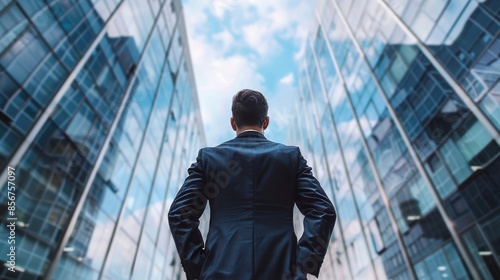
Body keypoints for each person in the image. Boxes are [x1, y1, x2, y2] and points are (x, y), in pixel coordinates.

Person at [168, 89, 336, 280]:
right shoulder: (291, 157)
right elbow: (324, 211)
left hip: (219, 272)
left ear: (233, 123)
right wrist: (302, 265)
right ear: (266, 121)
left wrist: (199, 267)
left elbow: (179, 214)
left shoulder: (209, 159)